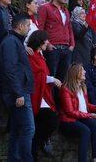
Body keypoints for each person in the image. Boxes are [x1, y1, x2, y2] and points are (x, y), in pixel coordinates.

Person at [1, 13, 35, 162]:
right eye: (28, 25)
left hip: (20, 91)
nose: (29, 29)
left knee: (17, 130)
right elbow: (10, 69)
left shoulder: (16, 41)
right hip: (18, 93)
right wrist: (19, 93)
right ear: (20, 26)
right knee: (28, 129)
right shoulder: (11, 42)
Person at [59, 63, 96, 162]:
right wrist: (89, 115)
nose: (85, 72)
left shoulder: (82, 86)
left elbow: (85, 106)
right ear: (75, 73)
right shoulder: (65, 89)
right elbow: (69, 112)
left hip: (79, 117)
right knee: (85, 131)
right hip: (68, 120)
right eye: (82, 70)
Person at [27, 30, 61, 160]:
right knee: (50, 120)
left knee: (49, 122)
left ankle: (36, 145)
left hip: (44, 95)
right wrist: (52, 79)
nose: (48, 42)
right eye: (46, 40)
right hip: (37, 96)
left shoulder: (40, 55)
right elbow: (35, 76)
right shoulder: (32, 55)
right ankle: (36, 146)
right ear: (40, 41)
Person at [38, 0, 74, 81]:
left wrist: (72, 45)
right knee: (51, 77)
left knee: (63, 79)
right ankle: (50, 96)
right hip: (53, 48)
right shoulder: (45, 8)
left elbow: (69, 28)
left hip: (66, 49)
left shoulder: (65, 10)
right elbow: (40, 28)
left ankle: (59, 96)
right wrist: (47, 43)